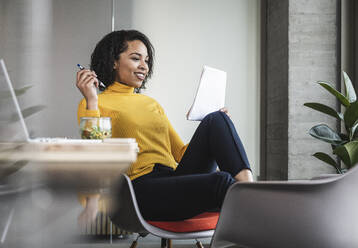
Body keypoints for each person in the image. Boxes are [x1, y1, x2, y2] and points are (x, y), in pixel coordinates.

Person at [76, 30, 253, 226]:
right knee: (221, 181)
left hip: (172, 180)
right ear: (114, 62)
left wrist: (216, 134)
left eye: (146, 60)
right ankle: (255, 205)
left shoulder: (151, 103)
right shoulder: (96, 102)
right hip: (138, 191)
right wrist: (91, 101)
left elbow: (179, 153)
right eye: (136, 58)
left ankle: (250, 190)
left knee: (216, 119)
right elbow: (94, 153)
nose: (144, 66)